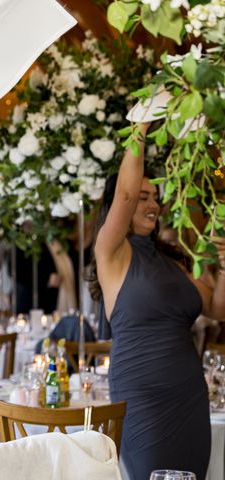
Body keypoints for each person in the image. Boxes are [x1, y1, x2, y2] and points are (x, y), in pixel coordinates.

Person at [88, 122, 225, 480]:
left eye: (156, 197)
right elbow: (125, 193)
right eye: (143, 197)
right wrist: (141, 126)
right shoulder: (111, 251)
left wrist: (224, 266)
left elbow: (217, 309)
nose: (152, 204)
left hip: (188, 392)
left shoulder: (175, 258)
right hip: (142, 394)